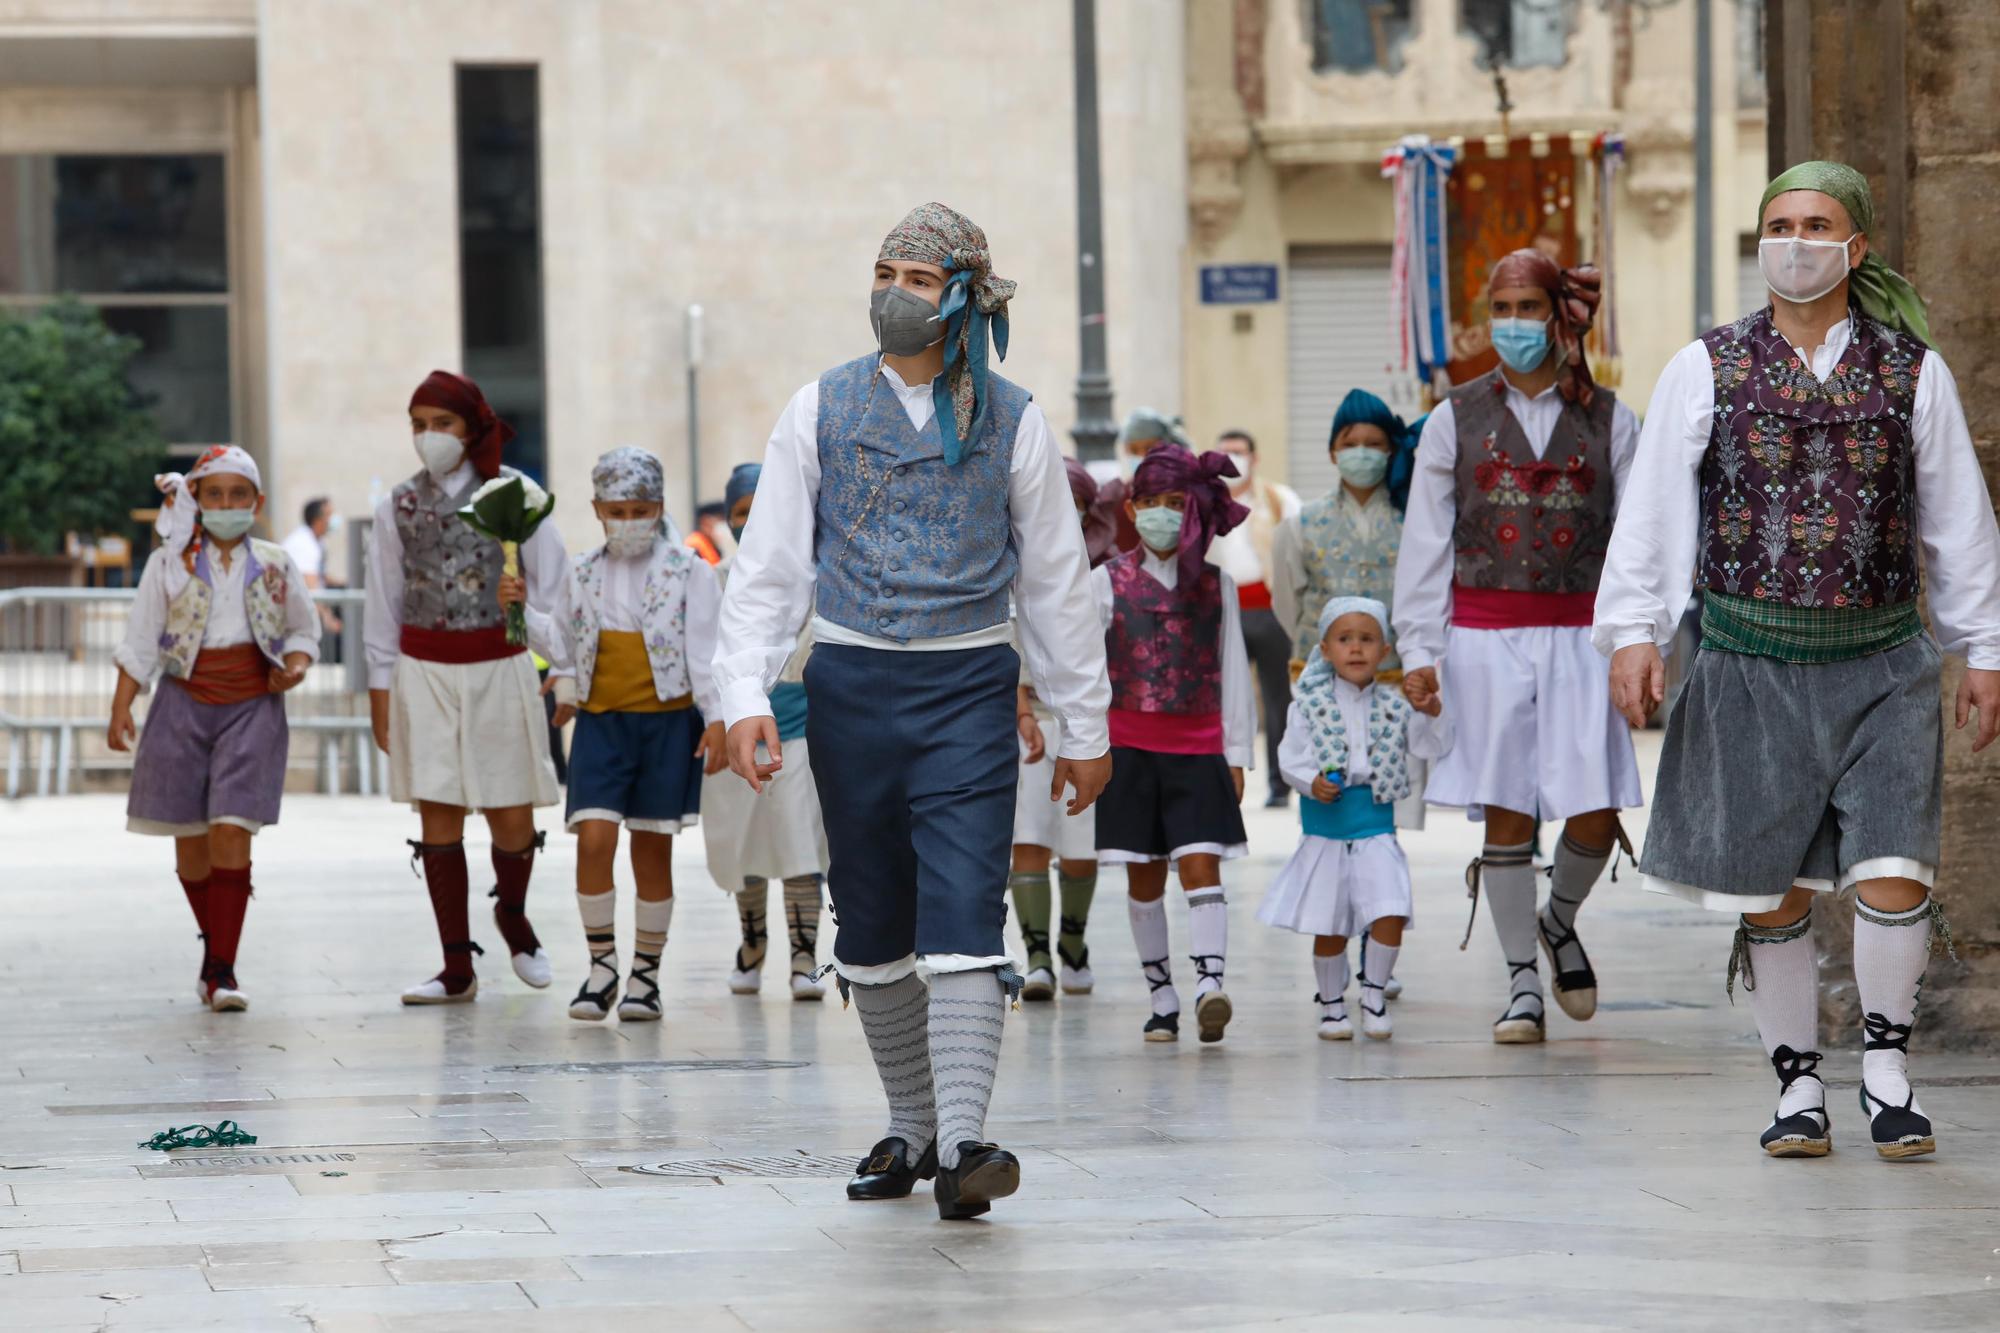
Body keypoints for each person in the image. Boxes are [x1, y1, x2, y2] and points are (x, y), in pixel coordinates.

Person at [714, 203, 1111, 1220]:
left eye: (920, 276)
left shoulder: (1015, 419)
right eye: (885, 268)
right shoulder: (818, 407)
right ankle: (915, 1124)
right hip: (847, 685)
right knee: (874, 918)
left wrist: (1084, 724)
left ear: (965, 296)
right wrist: (745, 694)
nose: (895, 289)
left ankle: (969, 1141)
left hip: (968, 685)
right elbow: (767, 570)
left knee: (966, 906)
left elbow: (1058, 583)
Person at [1596, 162, 2000, 1160]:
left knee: (1892, 866)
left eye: (1815, 223)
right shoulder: (1706, 365)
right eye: (1777, 223)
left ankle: (1884, 1068)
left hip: (1882, 661)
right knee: (1770, 887)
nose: (1794, 239)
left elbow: (1956, 522)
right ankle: (1793, 1086)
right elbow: (1651, 507)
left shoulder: (1912, 370)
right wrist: (1634, 629)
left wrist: (1981, 646)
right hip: (1747, 656)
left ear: (1854, 246)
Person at [1393, 249, 1642, 1045]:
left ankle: (1558, 917)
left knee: (1597, 809)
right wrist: (1419, 648)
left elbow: (1638, 541)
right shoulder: (1450, 417)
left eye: (1529, 307)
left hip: (1582, 634)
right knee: (1505, 812)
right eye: (1501, 308)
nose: (1513, 324)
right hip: (1483, 636)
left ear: (1560, 314)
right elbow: (1425, 544)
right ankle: (1520, 984)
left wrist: (1641, 639)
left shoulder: (1614, 418)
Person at [366, 370, 570, 1006]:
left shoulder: (516, 494)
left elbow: (559, 595)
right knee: (438, 808)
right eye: (419, 425)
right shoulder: (396, 504)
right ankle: (456, 965)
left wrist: (543, 634)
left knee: (510, 811)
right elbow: (382, 600)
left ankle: (512, 913)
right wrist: (379, 690)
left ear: (472, 427)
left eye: (442, 424)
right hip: (424, 668)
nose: (430, 436)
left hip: (499, 663)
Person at [109, 446, 319, 1011]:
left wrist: (294, 667)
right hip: (182, 704)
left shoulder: (275, 563)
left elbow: (304, 629)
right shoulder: (169, 565)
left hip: (252, 704)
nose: (227, 505)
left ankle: (222, 969)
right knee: (191, 844)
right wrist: (121, 707)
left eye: (239, 495)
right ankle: (214, 951)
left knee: (232, 825)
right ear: (197, 500)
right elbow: (142, 637)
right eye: (216, 494)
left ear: (258, 502)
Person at [534, 447, 719, 1023]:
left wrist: (716, 718)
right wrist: (540, 645)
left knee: (651, 847)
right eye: (616, 509)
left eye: (640, 508)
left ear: (659, 506)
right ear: (596, 509)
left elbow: (707, 652)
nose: (628, 519)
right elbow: (563, 643)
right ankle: (601, 966)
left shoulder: (691, 570)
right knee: (592, 836)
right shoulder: (581, 570)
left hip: (667, 723)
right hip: (600, 723)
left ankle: (644, 976)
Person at [1094, 443, 1256, 1045]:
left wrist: (1236, 754)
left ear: (1192, 510)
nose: (1163, 513)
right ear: (1132, 510)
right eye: (1151, 503)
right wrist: (1089, 746)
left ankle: (1210, 984)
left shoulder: (1218, 585)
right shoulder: (1104, 582)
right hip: (1129, 751)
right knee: (1143, 877)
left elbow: (1233, 669)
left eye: (1175, 503)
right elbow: (1087, 671)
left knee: (1200, 862)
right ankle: (1161, 996)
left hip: (1197, 748)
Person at [1257, 597, 1450, 1040]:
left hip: (1376, 825)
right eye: (1345, 640)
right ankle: (1331, 1005)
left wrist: (1433, 715)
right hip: (1326, 827)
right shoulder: (1306, 704)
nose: (1356, 649)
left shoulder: (1396, 704)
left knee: (1390, 909)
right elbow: (1290, 757)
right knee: (1331, 923)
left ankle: (1374, 993)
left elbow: (1427, 747)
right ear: (1325, 650)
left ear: (1386, 651)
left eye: (1367, 640)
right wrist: (1309, 781)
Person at [702, 460, 831, 1001]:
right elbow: (703, 654)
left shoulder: (820, 577)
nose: (750, 521)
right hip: (737, 734)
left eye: (760, 510)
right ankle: (751, 946)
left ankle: (804, 958)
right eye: (739, 512)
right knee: (745, 843)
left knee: (802, 845)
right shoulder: (713, 580)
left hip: (805, 731)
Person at [1010, 456, 1119, 1000]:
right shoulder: (1006, 564)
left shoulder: (1108, 576)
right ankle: (1035, 957)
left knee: (1081, 841)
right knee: (1027, 838)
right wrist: (1022, 710)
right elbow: (1002, 644)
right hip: (1027, 724)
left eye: (1075, 507)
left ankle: (1072, 945)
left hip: (1087, 727)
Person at [1204, 430, 1301, 808]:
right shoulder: (1204, 502)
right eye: (1224, 452)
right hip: (1221, 613)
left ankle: (1280, 784)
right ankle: (1221, 777)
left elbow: (1299, 551)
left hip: (1271, 610)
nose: (1232, 459)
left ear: (1254, 458)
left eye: (1239, 452)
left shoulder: (1279, 499)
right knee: (1222, 697)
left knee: (1278, 699)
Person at [282, 497, 345, 642]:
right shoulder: (303, 543)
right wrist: (328, 618)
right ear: (318, 520)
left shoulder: (317, 541)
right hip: (294, 616)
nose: (334, 519)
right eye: (330, 515)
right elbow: (311, 587)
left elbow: (320, 576)